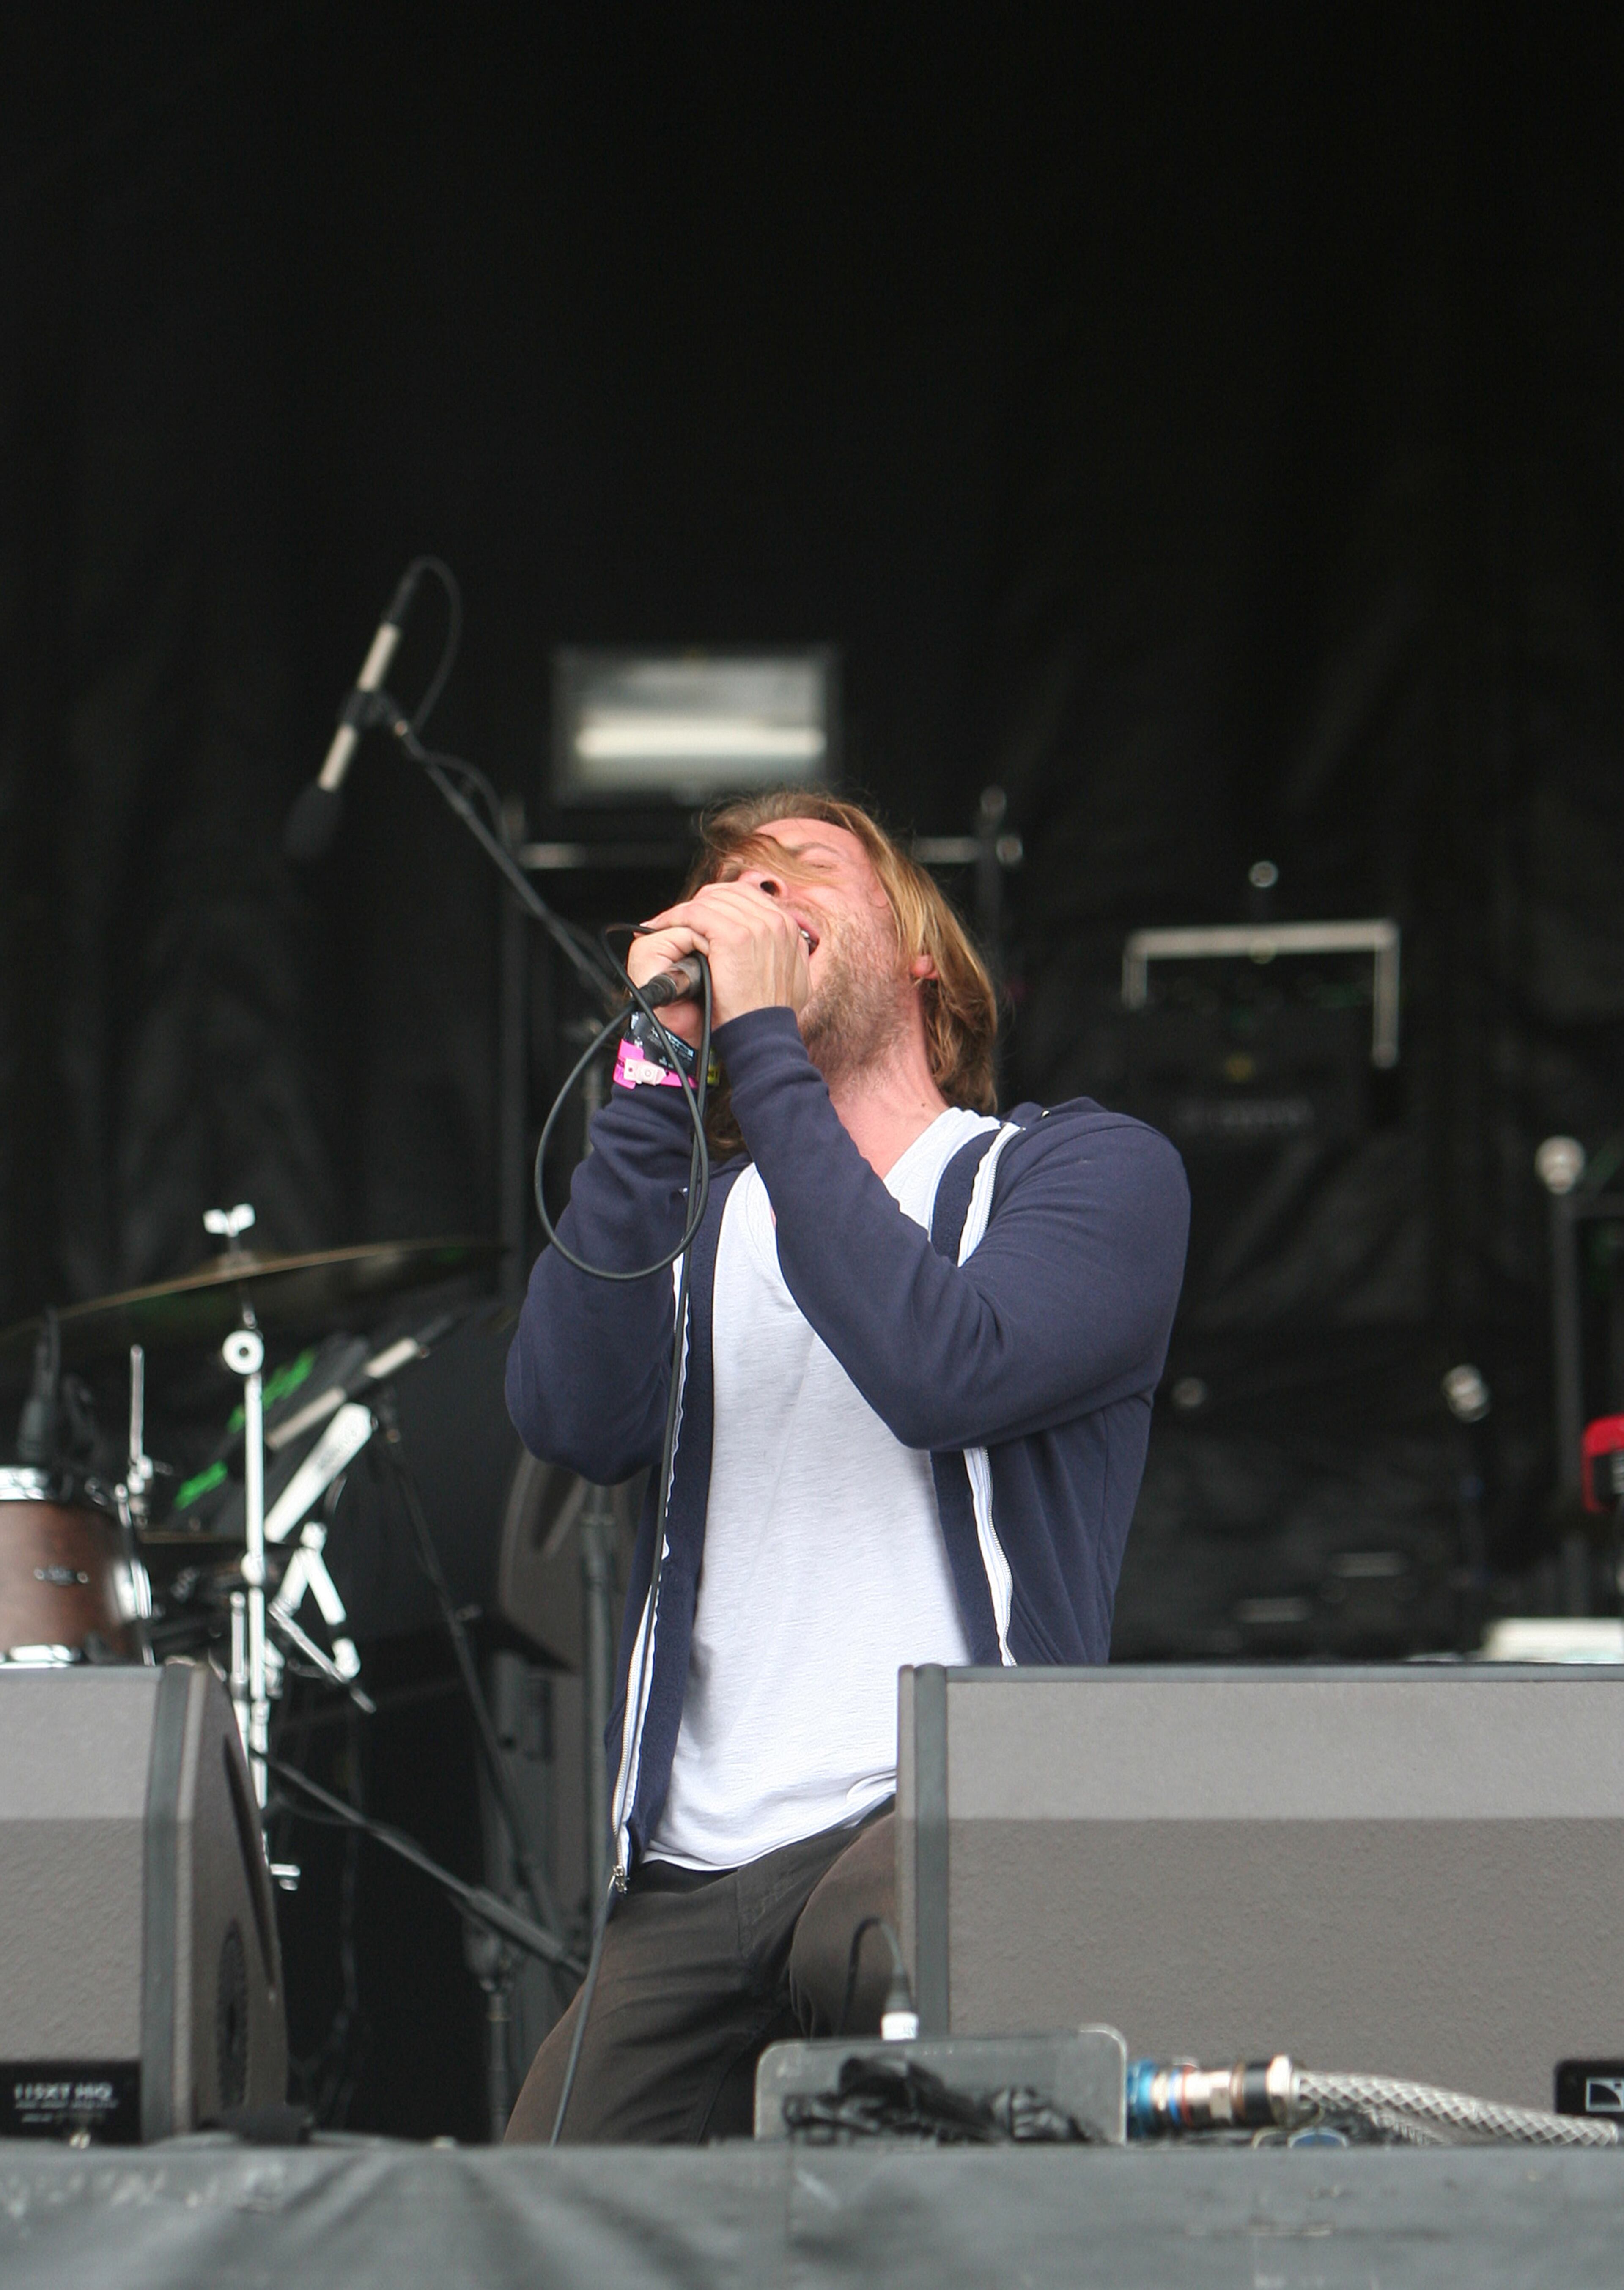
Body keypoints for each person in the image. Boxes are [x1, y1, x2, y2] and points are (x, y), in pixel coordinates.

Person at [502, 791, 1188, 2142]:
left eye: (802, 871)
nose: (753, 898)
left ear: (925, 953)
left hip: (934, 1811)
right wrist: (657, 1070)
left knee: (922, 2087)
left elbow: (947, 1373)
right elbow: (571, 1417)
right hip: (694, 1869)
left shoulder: (1082, 1173)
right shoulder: (695, 1233)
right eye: (732, 881)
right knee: (543, 2203)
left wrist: (760, 1043)